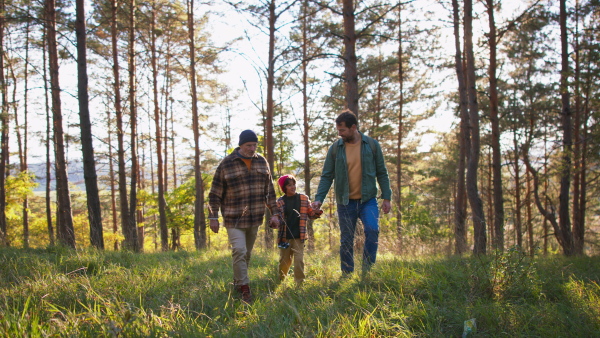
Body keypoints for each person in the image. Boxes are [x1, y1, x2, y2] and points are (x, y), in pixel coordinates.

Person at [312, 110, 392, 274]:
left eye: (342, 130)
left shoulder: (371, 145)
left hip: (368, 200)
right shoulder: (336, 149)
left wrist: (386, 197)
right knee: (347, 240)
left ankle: (367, 270)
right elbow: (327, 176)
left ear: (353, 127)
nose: (340, 134)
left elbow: (382, 172)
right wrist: (319, 198)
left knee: (372, 230)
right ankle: (347, 273)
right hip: (345, 202)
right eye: (338, 130)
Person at [208, 129, 280, 303]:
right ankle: (245, 289)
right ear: (241, 145)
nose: (252, 148)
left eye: (255, 145)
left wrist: (275, 213)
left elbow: (269, 191)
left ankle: (238, 282)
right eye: (249, 145)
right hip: (233, 218)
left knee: (246, 254)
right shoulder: (227, 164)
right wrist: (213, 217)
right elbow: (214, 193)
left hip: (255, 218)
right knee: (239, 250)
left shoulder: (262, 162)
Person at [275, 175, 322, 285]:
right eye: (289, 185)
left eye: (294, 184)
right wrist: (274, 222)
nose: (293, 187)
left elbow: (311, 214)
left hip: (299, 236)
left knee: (299, 261)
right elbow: (277, 218)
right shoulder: (280, 201)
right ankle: (281, 280)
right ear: (284, 188)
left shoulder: (303, 198)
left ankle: (299, 283)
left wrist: (316, 211)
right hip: (284, 238)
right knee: (284, 261)